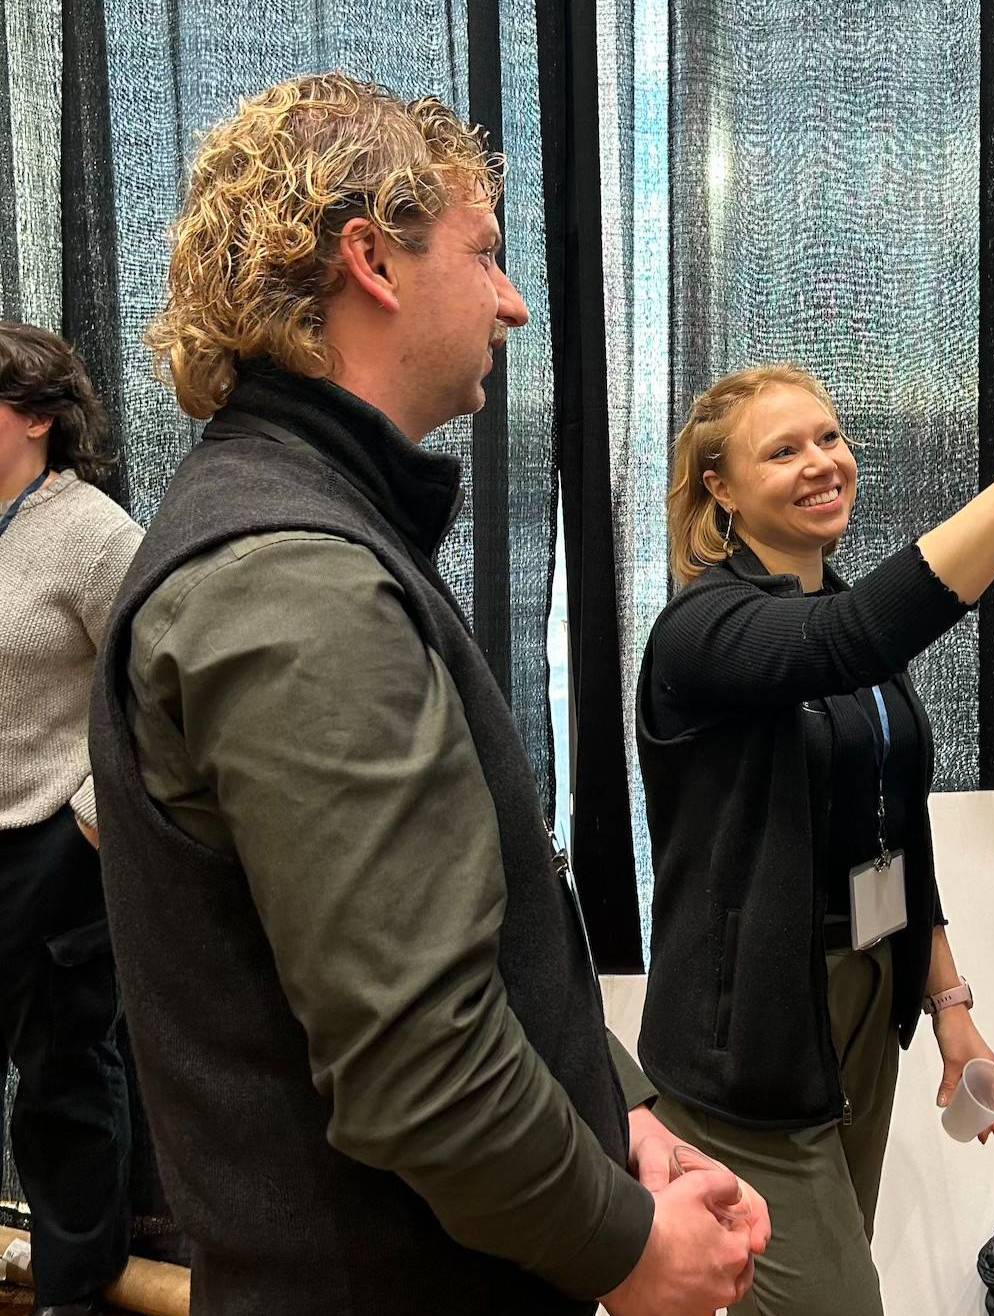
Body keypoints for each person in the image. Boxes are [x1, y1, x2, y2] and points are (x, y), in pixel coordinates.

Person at [87, 74, 766, 1316]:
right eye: (486, 253)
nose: (511, 301)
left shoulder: (310, 528)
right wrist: (624, 1242)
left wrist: (613, 1113)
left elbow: (478, 938)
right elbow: (421, 1060)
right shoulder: (291, 578)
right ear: (373, 261)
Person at [636, 361, 994, 1314]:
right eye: (783, 449)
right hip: (751, 1041)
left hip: (865, 1003)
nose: (821, 463)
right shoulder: (702, 630)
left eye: (829, 438)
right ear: (719, 487)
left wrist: (948, 1003)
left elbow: (895, 827)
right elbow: (850, 638)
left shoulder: (836, 612)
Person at [0, 322, 139, 1316]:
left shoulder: (92, 532)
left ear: (39, 417)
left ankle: (71, 1292)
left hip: (56, 846)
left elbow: (155, 687)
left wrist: (89, 822)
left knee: (64, 1079)